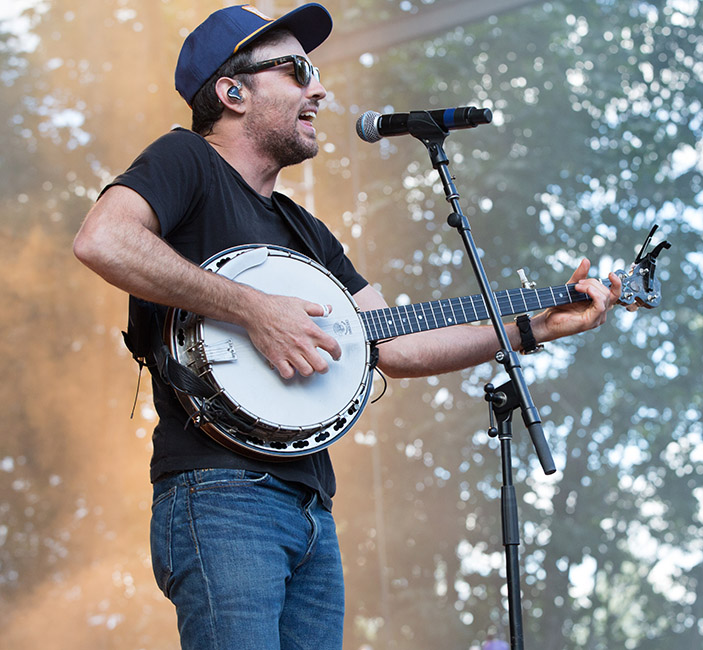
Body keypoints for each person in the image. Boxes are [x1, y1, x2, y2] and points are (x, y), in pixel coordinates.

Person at [72, 4, 623, 649]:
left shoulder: (307, 233)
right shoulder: (186, 159)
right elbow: (103, 240)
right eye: (298, 70)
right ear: (232, 92)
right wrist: (253, 308)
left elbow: (392, 342)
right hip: (220, 493)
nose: (320, 88)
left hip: (309, 506)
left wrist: (535, 326)